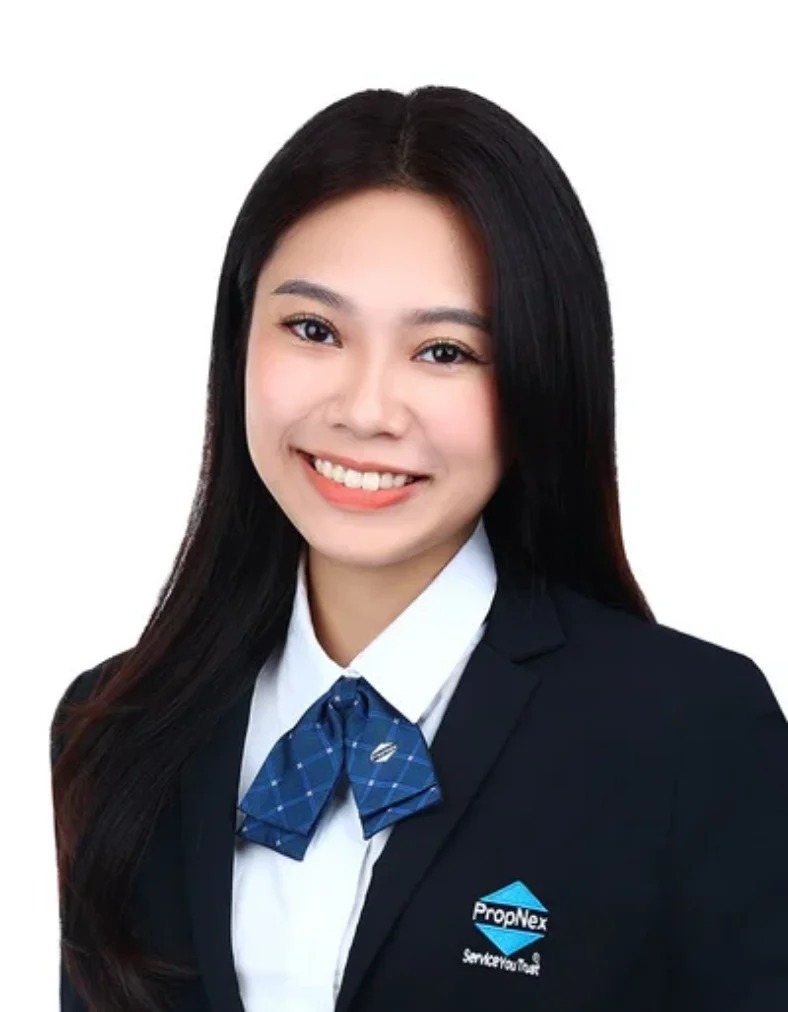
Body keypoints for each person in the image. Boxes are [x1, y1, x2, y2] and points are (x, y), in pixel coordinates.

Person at [50, 84, 788, 1012]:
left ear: (540, 378)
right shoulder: (118, 727)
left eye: (444, 351)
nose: (365, 411)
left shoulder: (688, 732)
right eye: (313, 330)